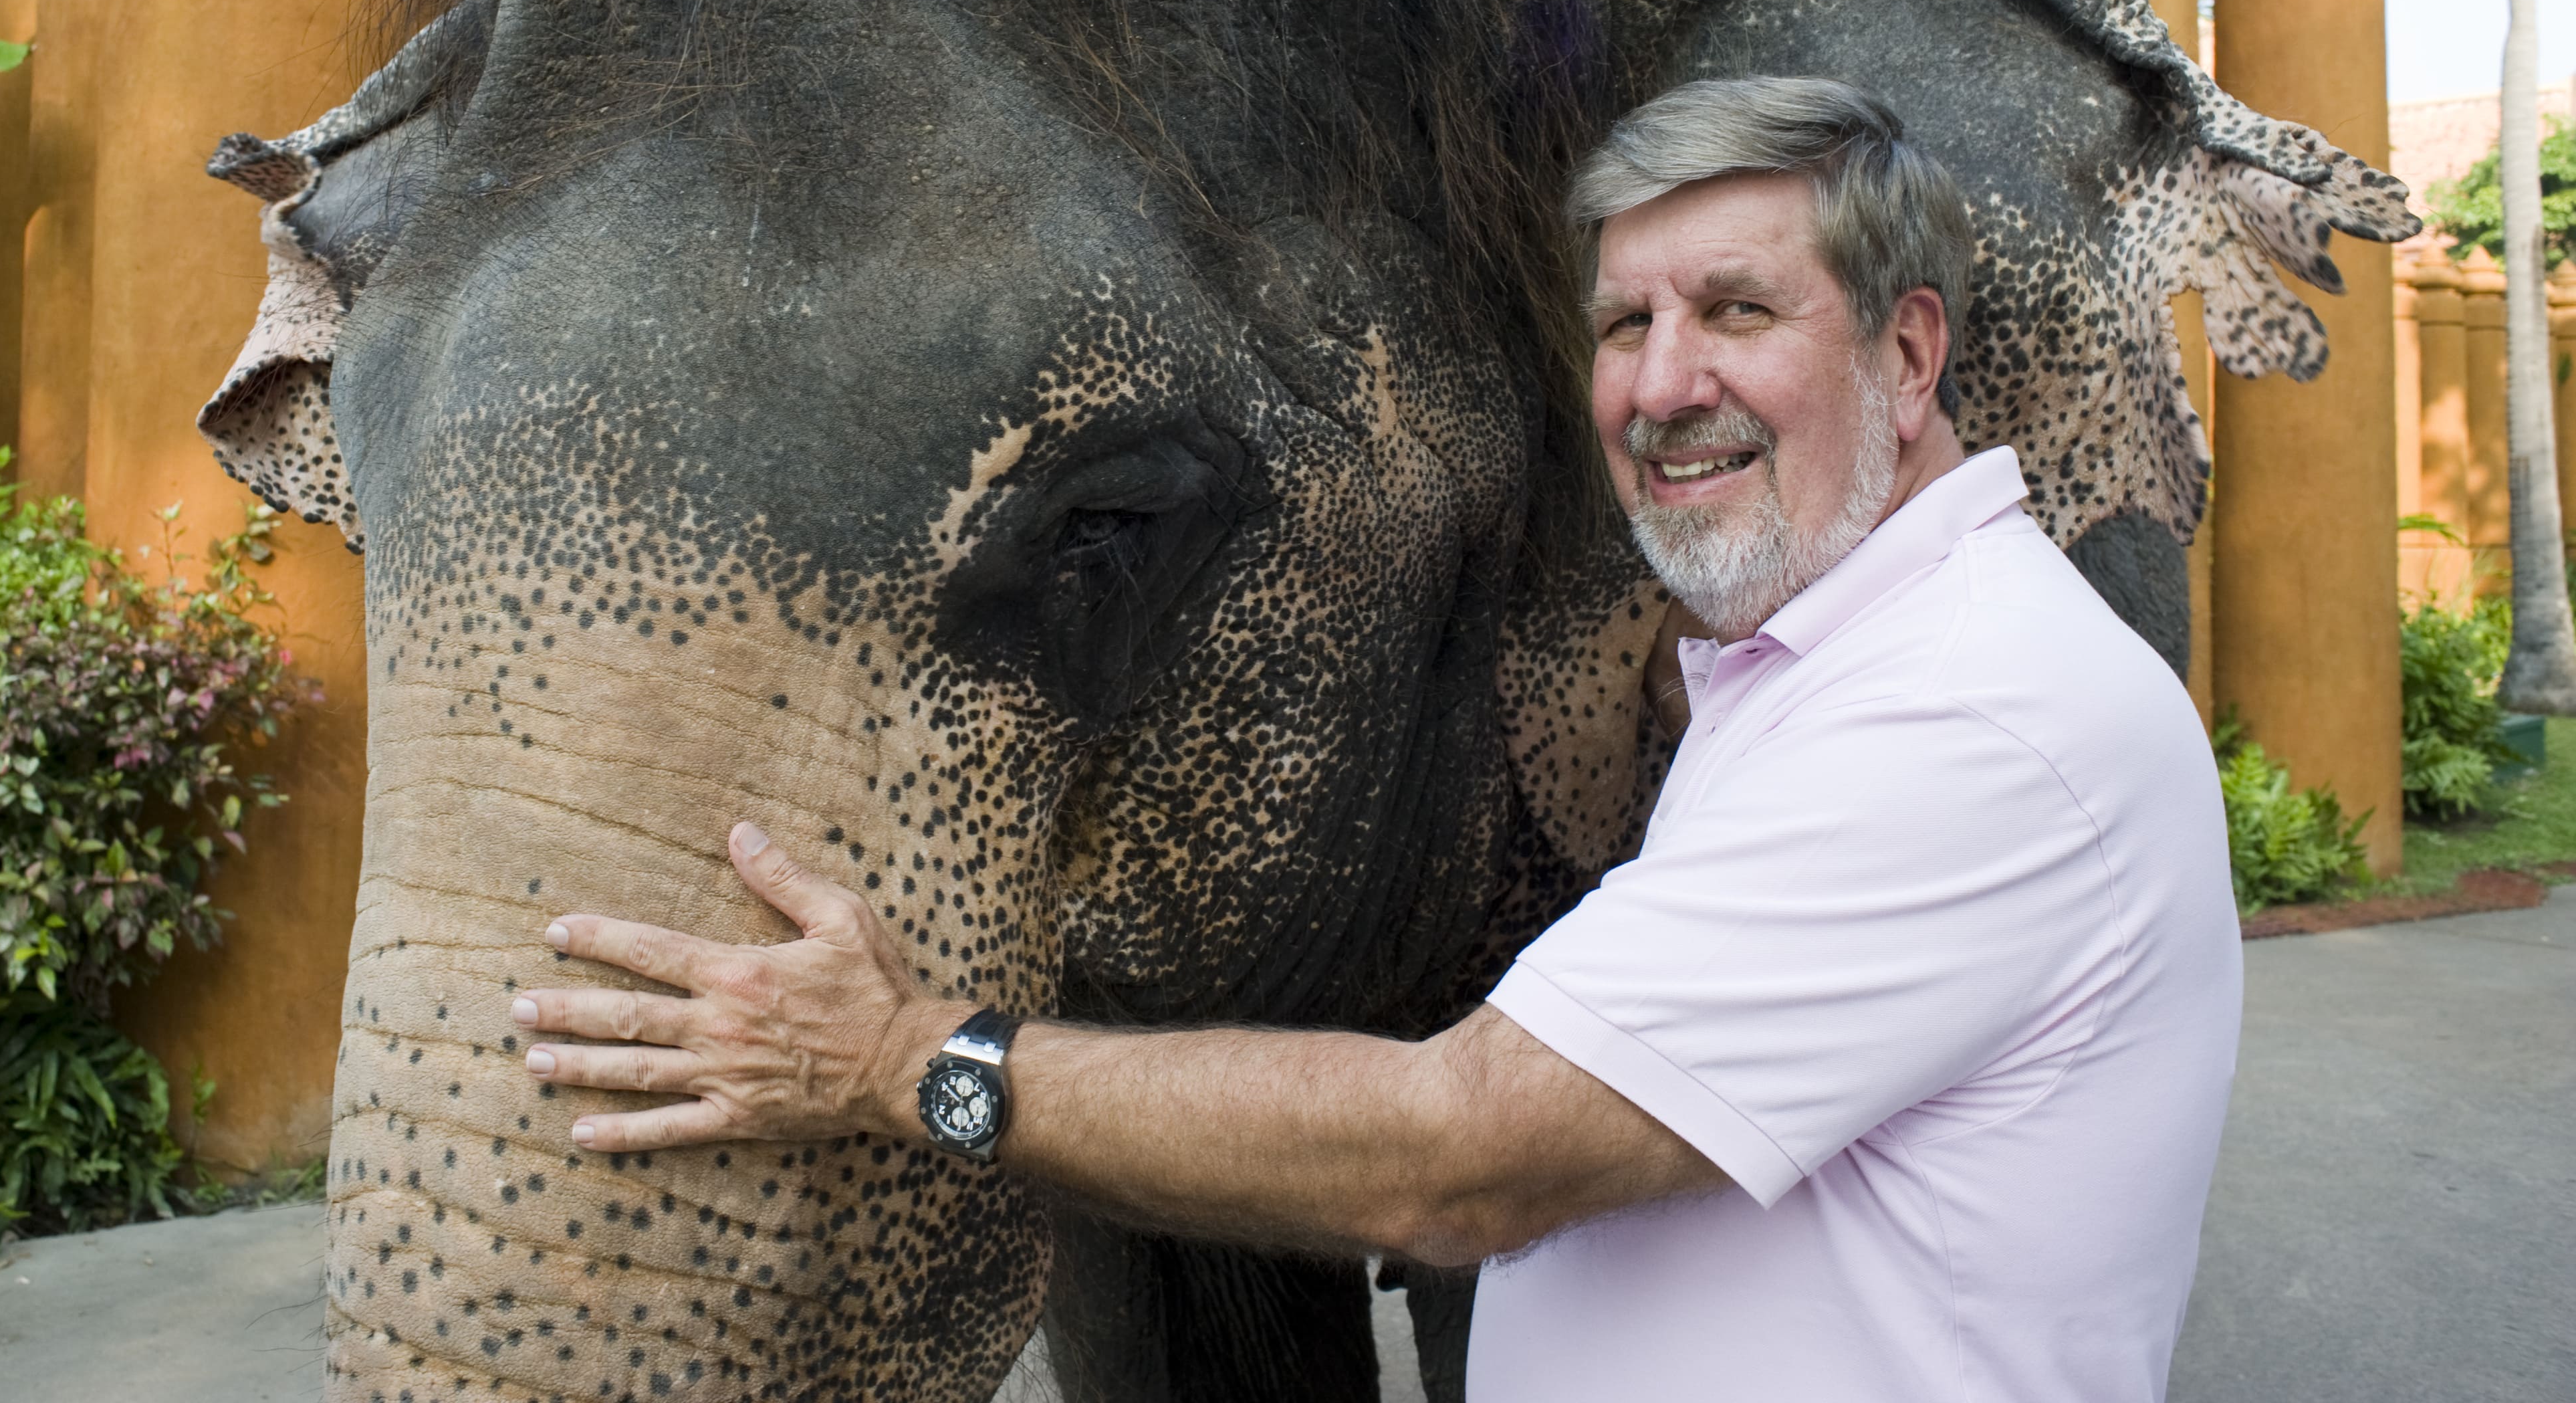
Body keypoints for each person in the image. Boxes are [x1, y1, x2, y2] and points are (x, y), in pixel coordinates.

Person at [502, 77, 2243, 1401]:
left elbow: (1453, 1155)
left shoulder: (1966, 720)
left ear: (1911, 350)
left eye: (1736, 310)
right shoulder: (1825, 662)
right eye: (1625, 325)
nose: (1658, 386)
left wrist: (898, 1061)